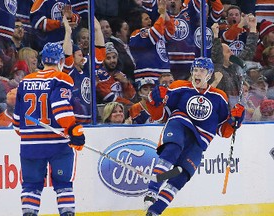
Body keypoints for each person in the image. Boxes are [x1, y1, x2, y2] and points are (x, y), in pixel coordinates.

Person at [143, 57, 245, 216]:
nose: (197, 73)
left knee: (180, 174)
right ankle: (152, 191)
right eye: (195, 70)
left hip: (199, 142)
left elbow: (223, 131)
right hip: (180, 126)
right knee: (172, 150)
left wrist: (235, 121)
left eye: (202, 70)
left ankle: (154, 212)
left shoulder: (219, 97)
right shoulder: (178, 87)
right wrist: (154, 101)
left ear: (209, 74)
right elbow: (159, 115)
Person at [12, 42, 86, 216]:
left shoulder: (25, 81)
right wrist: (73, 129)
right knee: (63, 184)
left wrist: (30, 136)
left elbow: (17, 122)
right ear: (60, 61)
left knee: (31, 185)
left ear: (42, 61)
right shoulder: (62, 78)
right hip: (57, 145)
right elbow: (60, 107)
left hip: (30, 145)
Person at [96, 42, 136, 106]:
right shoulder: (100, 76)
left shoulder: (121, 75)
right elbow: (109, 97)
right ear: (103, 60)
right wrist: (130, 104)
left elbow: (131, 96)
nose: (112, 60)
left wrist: (125, 83)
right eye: (108, 58)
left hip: (121, 111)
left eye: (114, 57)